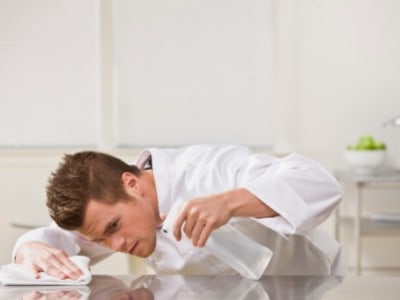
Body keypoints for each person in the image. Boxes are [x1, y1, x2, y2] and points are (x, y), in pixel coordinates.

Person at [12, 144, 343, 280]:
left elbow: (319, 183)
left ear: (131, 183)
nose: (116, 245)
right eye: (101, 238)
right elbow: (55, 241)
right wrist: (31, 248)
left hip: (307, 285)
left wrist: (230, 202)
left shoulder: (210, 170)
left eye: (114, 227)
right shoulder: (111, 221)